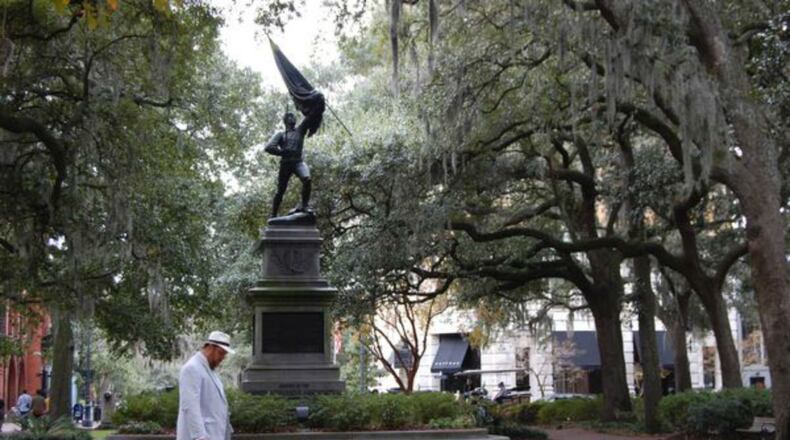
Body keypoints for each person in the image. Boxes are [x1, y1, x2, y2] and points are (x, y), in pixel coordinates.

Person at [264, 106, 323, 218]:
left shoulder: (300, 130)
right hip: (286, 163)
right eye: (290, 116)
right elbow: (268, 147)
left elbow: (311, 115)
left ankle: (304, 205)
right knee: (280, 191)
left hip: (298, 162)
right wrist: (282, 152)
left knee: (307, 179)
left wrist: (316, 102)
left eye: (294, 116)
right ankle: (273, 214)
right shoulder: (281, 134)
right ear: (285, 120)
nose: (293, 118)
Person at [176, 331, 235, 440]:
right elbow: (190, 405)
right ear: (211, 347)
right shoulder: (192, 368)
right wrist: (200, 436)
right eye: (221, 353)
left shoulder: (209, 370)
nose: (223, 358)